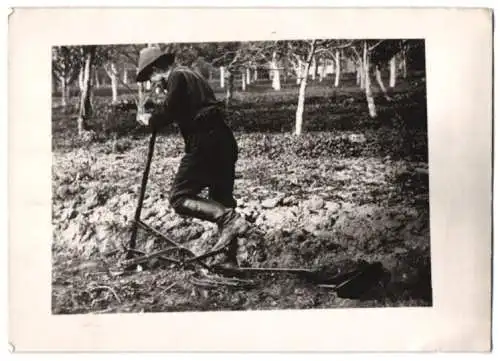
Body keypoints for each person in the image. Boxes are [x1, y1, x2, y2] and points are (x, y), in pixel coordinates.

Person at [135, 46, 249, 267]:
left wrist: (148, 119)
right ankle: (229, 260)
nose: (153, 82)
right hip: (223, 141)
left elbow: (167, 113)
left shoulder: (176, 76)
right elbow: (180, 106)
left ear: (158, 67)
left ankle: (230, 221)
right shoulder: (191, 74)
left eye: (152, 76)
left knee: (179, 198)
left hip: (204, 143)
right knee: (221, 200)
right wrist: (158, 107)